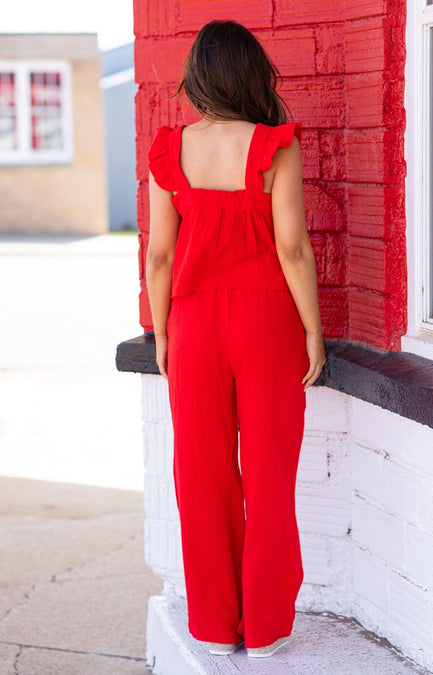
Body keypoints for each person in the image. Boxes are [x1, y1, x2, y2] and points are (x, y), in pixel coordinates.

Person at [146, 19, 326, 659]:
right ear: (251, 75)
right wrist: (313, 330)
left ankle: (217, 629)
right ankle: (269, 625)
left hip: (194, 326)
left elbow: (160, 257)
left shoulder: (169, 151)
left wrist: (163, 331)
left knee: (201, 475)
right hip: (267, 324)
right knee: (271, 475)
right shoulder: (276, 145)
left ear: (198, 79)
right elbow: (292, 247)